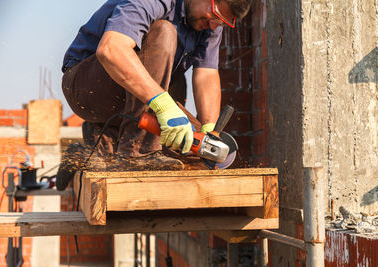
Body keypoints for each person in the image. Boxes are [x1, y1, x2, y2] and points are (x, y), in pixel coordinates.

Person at [56, 0, 252, 190]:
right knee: (164, 32)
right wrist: (164, 106)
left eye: (221, 22)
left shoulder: (210, 25)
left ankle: (91, 153)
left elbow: (206, 74)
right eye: (215, 15)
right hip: (87, 89)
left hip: (138, 95)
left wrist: (210, 130)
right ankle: (137, 153)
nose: (213, 24)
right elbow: (111, 49)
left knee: (196, 152)